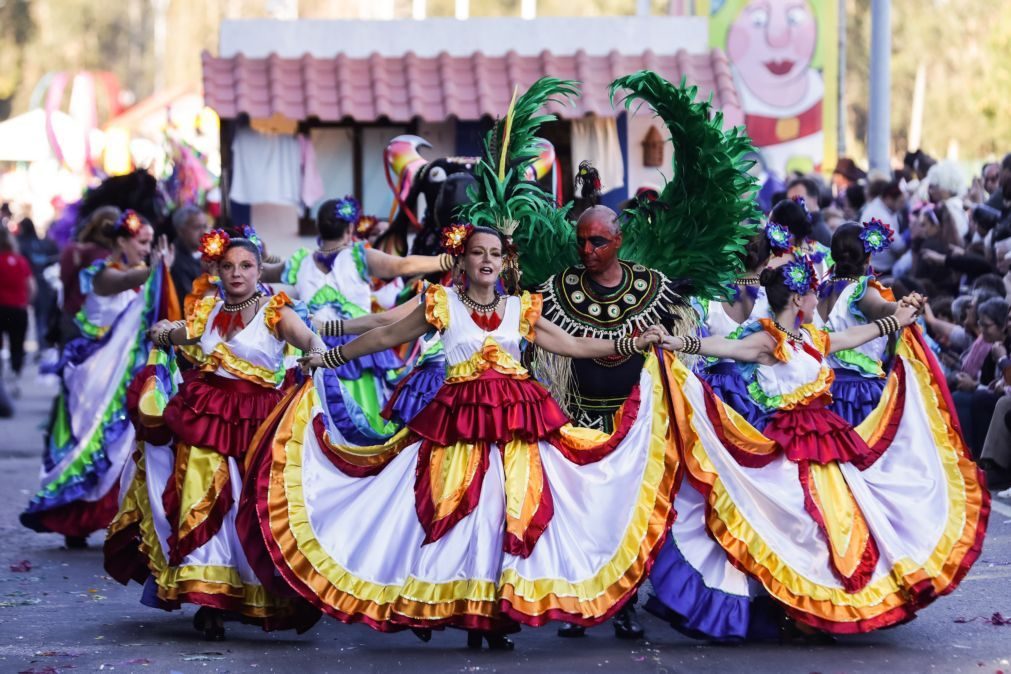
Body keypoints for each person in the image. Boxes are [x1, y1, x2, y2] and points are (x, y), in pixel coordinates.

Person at [246, 224, 671, 650]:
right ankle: (472, 618)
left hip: (517, 428)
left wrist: (630, 342)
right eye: (477, 252)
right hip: (459, 429)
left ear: (505, 262)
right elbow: (387, 334)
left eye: (495, 253)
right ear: (462, 260)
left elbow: (575, 345)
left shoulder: (520, 308)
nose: (487, 260)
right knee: (464, 520)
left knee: (506, 518)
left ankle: (494, 617)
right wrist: (331, 356)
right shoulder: (442, 303)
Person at [647, 257, 988, 640]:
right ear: (797, 299)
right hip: (787, 446)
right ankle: (800, 609)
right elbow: (723, 347)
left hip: (825, 442)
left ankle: (818, 608)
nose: (816, 297)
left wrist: (899, 320)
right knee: (797, 529)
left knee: (834, 527)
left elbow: (852, 338)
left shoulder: (810, 338)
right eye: (811, 292)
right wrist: (678, 342)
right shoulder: (767, 339)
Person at [105, 232, 325, 641]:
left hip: (257, 421)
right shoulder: (208, 310)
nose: (237, 273)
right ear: (216, 271)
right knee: (199, 494)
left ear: (260, 270)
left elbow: (307, 338)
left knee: (250, 505)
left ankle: (246, 591)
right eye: (228, 266)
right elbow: (181, 333)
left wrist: (316, 351)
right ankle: (209, 599)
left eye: (246, 266)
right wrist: (164, 332)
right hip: (205, 413)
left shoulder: (276, 310)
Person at [21, 211, 174, 549]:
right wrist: (160, 267)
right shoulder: (104, 274)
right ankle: (75, 520)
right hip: (94, 376)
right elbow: (132, 279)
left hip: (122, 372)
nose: (148, 249)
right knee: (94, 444)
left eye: (151, 244)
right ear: (120, 241)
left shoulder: (134, 275)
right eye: (143, 243)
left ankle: (122, 518)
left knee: (124, 446)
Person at [263, 196, 449, 442]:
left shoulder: (300, 262)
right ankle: (359, 460)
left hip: (311, 345)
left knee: (315, 415)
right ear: (350, 228)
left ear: (319, 228)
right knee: (362, 414)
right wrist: (447, 259)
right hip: (360, 348)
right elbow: (403, 266)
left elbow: (261, 270)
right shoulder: (360, 256)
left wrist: (247, 254)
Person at [817, 220, 900, 425]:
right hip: (857, 395)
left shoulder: (816, 293)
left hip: (820, 391)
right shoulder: (862, 291)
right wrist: (902, 309)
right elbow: (882, 309)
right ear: (869, 256)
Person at [691, 231, 772, 430]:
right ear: (768, 259)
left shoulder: (707, 296)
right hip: (762, 388)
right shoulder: (774, 297)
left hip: (715, 391)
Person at [57, 206, 116, 346]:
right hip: (93, 322)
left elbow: (64, 281)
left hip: (74, 316)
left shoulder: (74, 249)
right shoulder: (111, 256)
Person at [15, 217, 59, 353]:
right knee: (43, 317)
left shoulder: (22, 245)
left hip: (37, 285)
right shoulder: (43, 243)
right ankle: (44, 346)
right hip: (42, 285)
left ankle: (44, 346)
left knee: (41, 317)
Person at [0, 228, 34, 398]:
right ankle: (15, 378)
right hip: (18, 309)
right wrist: (26, 302)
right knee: (17, 345)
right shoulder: (21, 261)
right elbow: (31, 286)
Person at [169, 205, 210, 309]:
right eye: (197, 227)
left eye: (205, 226)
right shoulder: (174, 259)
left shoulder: (209, 252)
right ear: (181, 231)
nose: (203, 233)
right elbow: (189, 300)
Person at [786, 176, 832, 246]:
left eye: (798, 199)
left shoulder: (816, 233)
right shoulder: (802, 229)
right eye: (789, 201)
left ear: (814, 199)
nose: (792, 205)